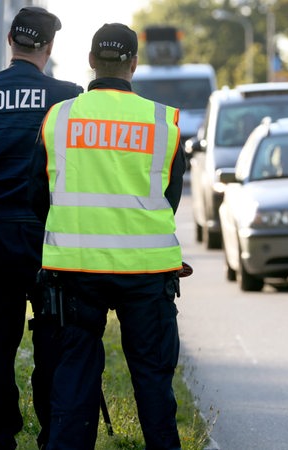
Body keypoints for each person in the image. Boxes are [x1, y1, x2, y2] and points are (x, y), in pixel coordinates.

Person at [37, 23, 186, 450]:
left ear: (90, 61)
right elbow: (169, 199)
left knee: (74, 375)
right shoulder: (163, 121)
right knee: (153, 380)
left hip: (75, 269)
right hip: (146, 272)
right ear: (134, 65)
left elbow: (37, 193)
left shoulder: (59, 118)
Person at [0, 6, 83, 449]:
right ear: (49, 47)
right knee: (55, 341)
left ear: (9, 39)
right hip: (49, 239)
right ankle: (55, 433)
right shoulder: (68, 96)